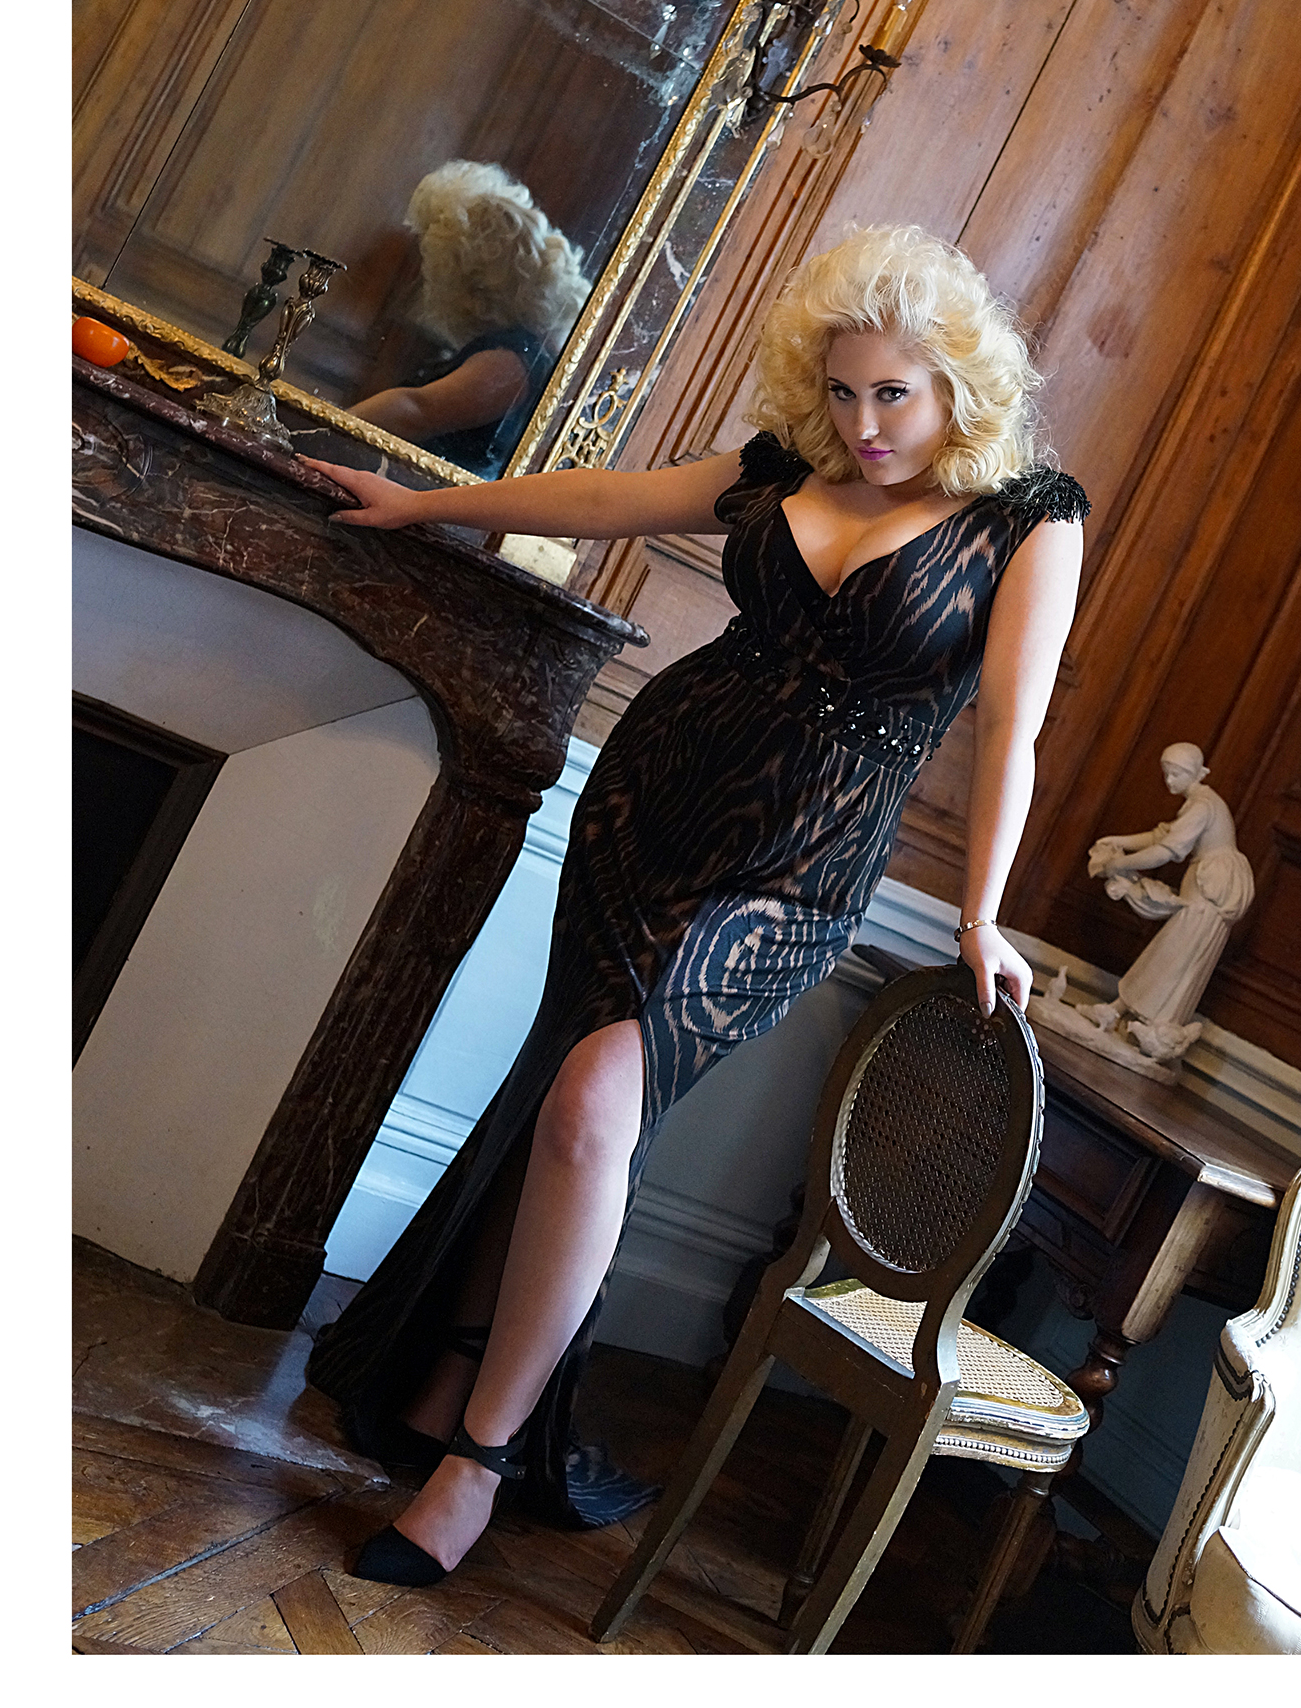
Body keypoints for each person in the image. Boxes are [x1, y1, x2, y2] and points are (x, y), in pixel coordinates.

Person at [297, 223, 1088, 1588]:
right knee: (559, 1103)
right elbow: (613, 497)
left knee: (594, 1106)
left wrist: (979, 918)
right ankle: (449, 1377)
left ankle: (478, 1462)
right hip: (648, 812)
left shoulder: (1028, 515)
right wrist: (425, 507)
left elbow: (1012, 729)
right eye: (841, 390)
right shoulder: (786, 467)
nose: (864, 423)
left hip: (798, 871)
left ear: (958, 382)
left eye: (893, 393)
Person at [348, 159, 592, 479]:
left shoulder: (514, 355)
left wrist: (316, 426)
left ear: (461, 275)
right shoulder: (524, 349)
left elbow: (416, 409)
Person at [1085, 743, 1255, 1033]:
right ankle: (1119, 1011)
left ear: (1197, 773)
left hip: (1210, 890)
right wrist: (1119, 842)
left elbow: (1164, 850)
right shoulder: (1198, 801)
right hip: (1206, 886)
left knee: (1175, 955)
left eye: (1177, 774)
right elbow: (1159, 837)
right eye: (1166, 773)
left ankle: (1143, 1021)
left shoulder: (1202, 806)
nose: (1169, 781)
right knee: (1171, 953)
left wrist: (1118, 864)